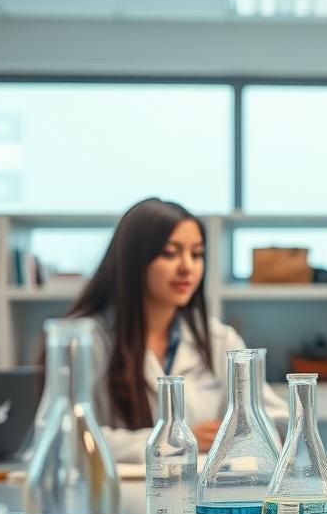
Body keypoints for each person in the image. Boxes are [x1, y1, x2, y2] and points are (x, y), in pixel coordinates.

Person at [64, 197, 287, 463]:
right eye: (170, 253)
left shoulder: (219, 340)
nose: (187, 267)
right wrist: (176, 440)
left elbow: (276, 421)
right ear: (134, 260)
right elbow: (70, 439)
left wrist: (237, 435)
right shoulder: (88, 341)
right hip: (117, 497)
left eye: (196, 254)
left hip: (203, 497)